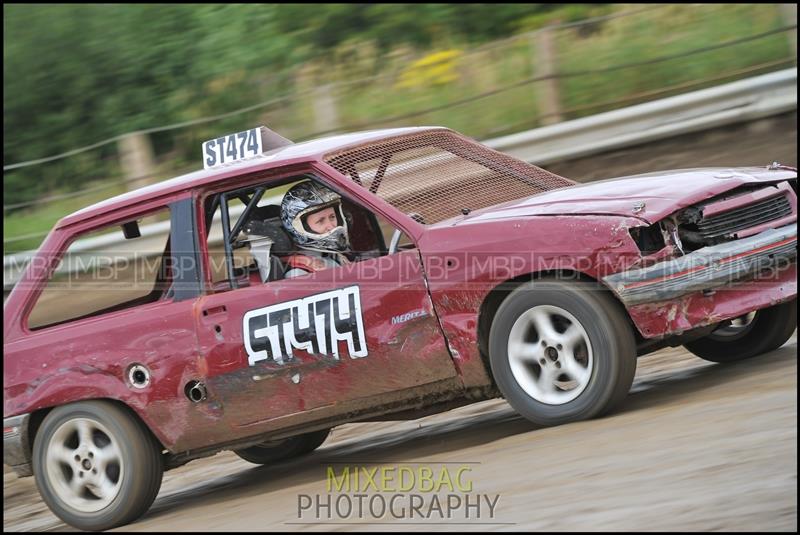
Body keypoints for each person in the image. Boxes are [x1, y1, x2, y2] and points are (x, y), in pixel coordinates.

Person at [280, 180, 352, 278]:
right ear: (300, 228)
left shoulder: (334, 255)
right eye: (320, 221)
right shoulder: (298, 274)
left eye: (332, 217)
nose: (331, 226)